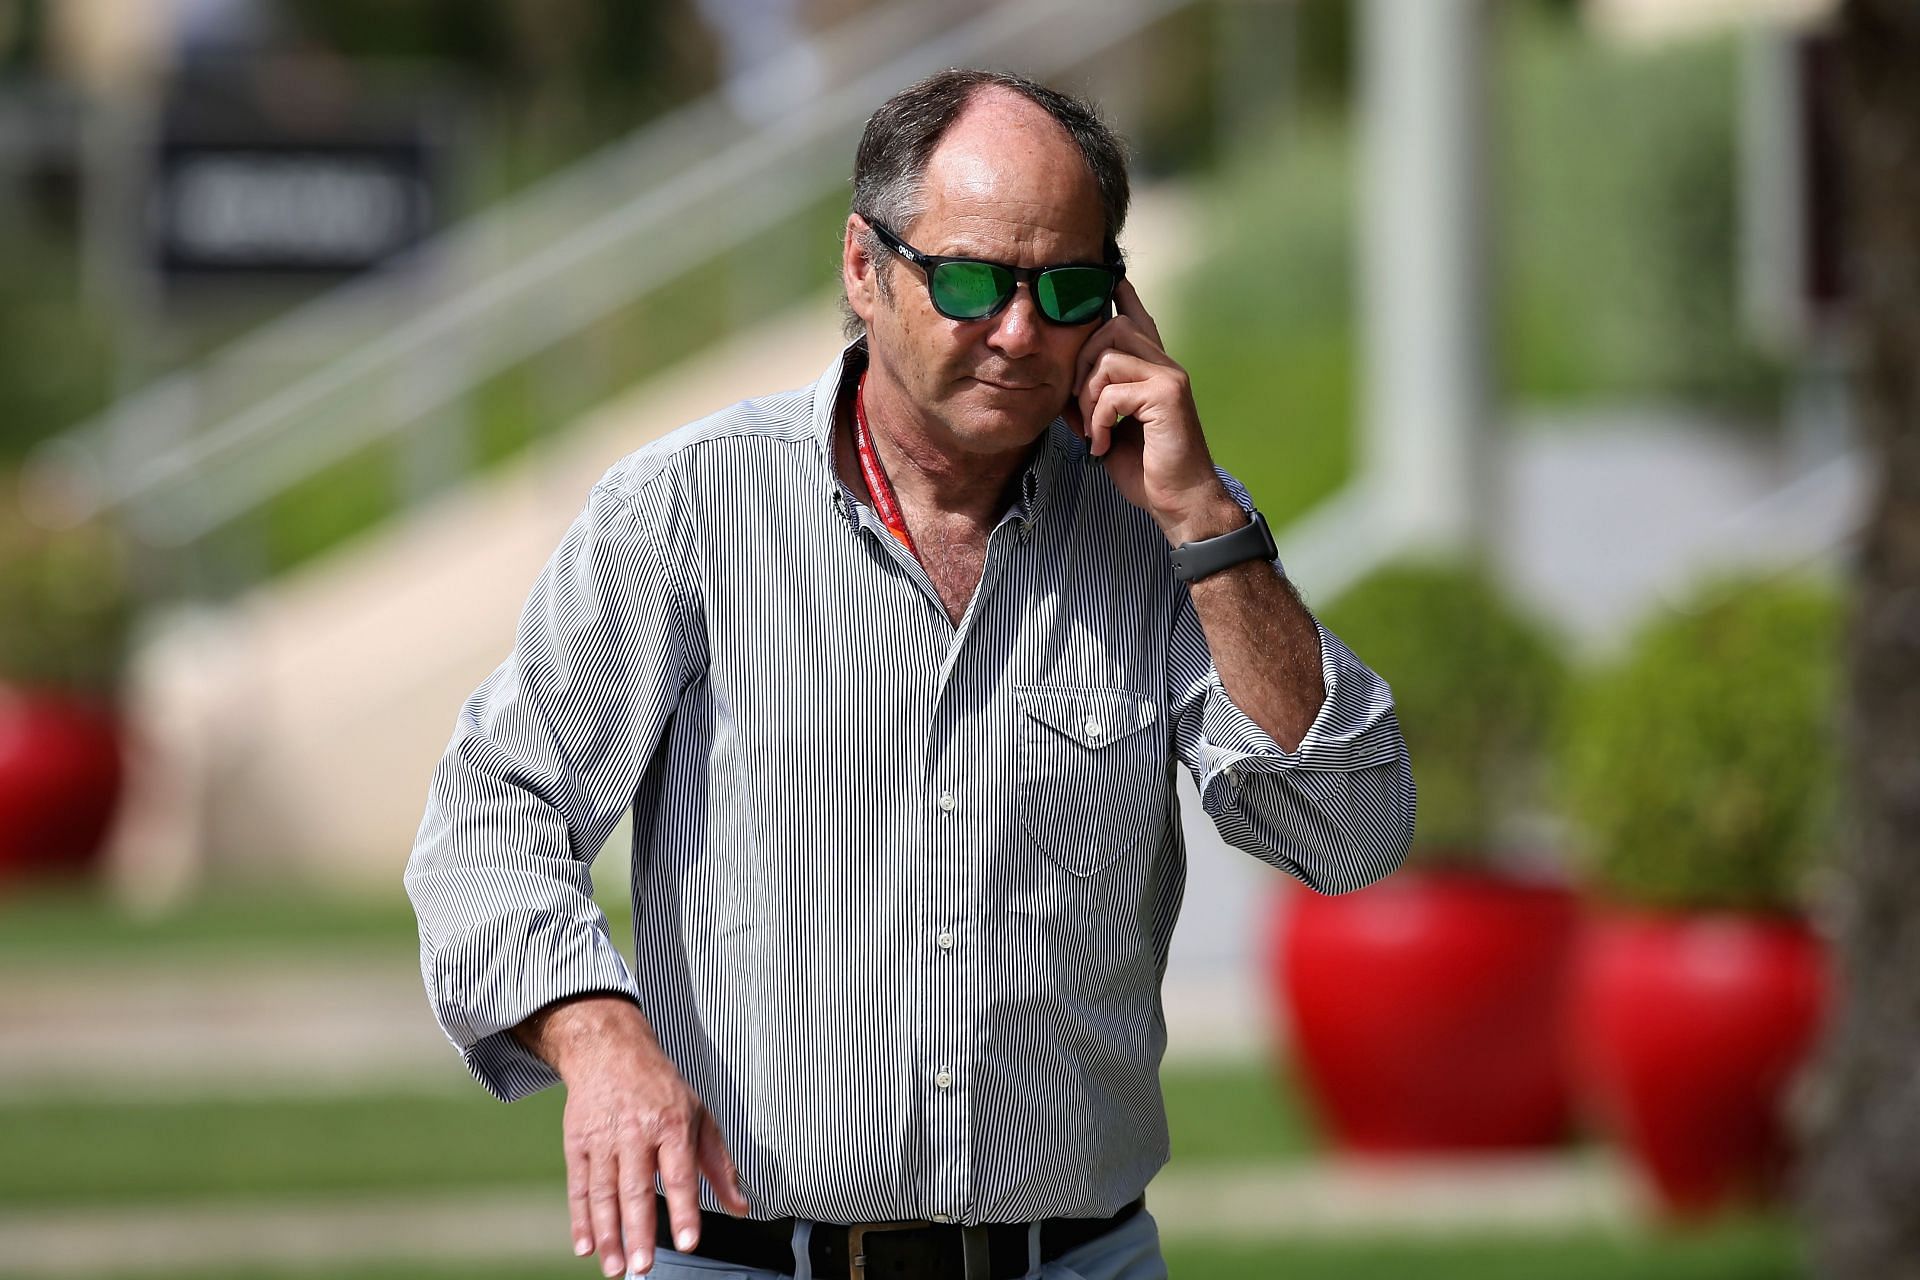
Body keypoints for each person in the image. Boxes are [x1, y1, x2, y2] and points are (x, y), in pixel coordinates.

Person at [404, 69, 1414, 1280]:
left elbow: (1350, 831)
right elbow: (490, 815)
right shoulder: (686, 510)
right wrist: (597, 1033)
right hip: (742, 1257)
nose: (1020, 330)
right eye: (974, 280)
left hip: (1074, 1258)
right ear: (862, 268)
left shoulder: (1174, 536)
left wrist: (1203, 516)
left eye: (1069, 288)